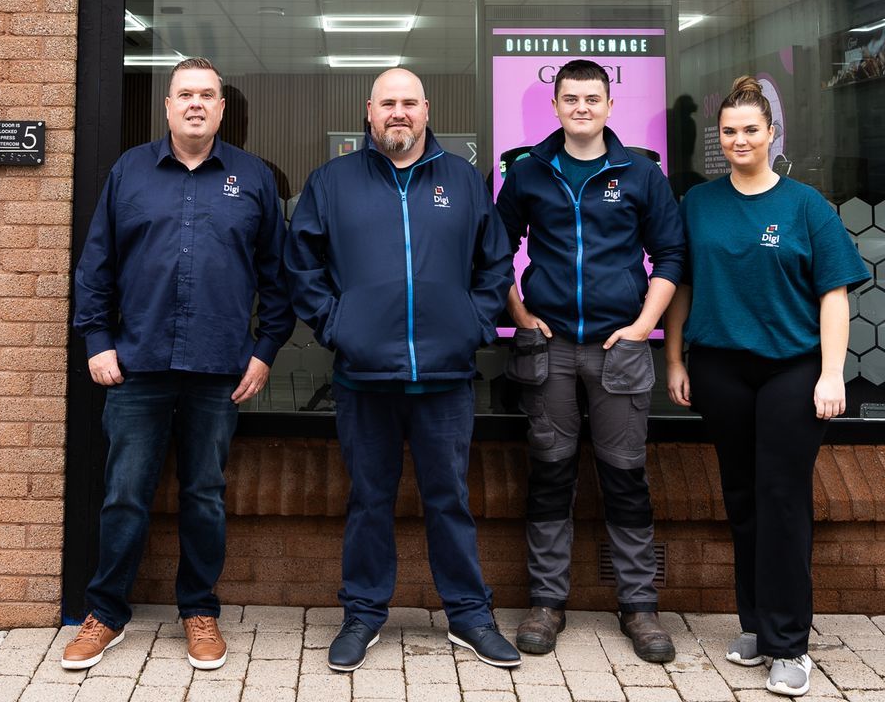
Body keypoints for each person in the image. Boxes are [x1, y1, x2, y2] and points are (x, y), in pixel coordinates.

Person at [286, 67, 521, 673]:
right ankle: (363, 614)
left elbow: (495, 265)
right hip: (364, 377)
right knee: (369, 500)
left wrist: (473, 323)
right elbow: (301, 266)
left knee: (450, 498)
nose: (398, 113)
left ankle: (469, 615)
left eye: (408, 103)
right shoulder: (332, 182)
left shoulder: (464, 181)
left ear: (426, 109)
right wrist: (338, 326)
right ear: (369, 112)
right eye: (387, 103)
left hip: (445, 378)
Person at [64, 58, 294, 672]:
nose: (196, 104)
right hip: (135, 364)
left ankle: (199, 609)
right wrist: (97, 341)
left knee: (204, 495)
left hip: (220, 368)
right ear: (167, 106)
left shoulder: (252, 179)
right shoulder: (129, 172)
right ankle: (106, 613)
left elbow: (278, 278)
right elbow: (96, 267)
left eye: (207, 95)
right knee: (124, 495)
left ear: (223, 109)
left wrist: (265, 350)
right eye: (185, 94)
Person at [661, 76, 866, 698]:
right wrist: (673, 361)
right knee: (743, 496)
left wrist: (832, 374)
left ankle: (789, 643)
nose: (739, 140)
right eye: (729, 132)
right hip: (721, 368)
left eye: (751, 129)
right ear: (717, 141)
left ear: (773, 134)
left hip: (793, 370)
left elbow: (833, 296)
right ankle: (754, 624)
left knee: (782, 499)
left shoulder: (807, 207)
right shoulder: (698, 204)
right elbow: (683, 287)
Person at [494, 58, 685, 661]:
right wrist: (521, 316)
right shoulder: (529, 173)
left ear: (609, 106)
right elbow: (494, 250)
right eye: (570, 98)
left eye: (591, 98)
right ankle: (547, 604)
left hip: (619, 350)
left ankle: (640, 607)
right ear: (554, 106)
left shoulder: (639, 174)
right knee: (550, 474)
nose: (581, 107)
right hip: (549, 348)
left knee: (625, 479)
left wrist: (641, 329)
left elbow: (672, 254)